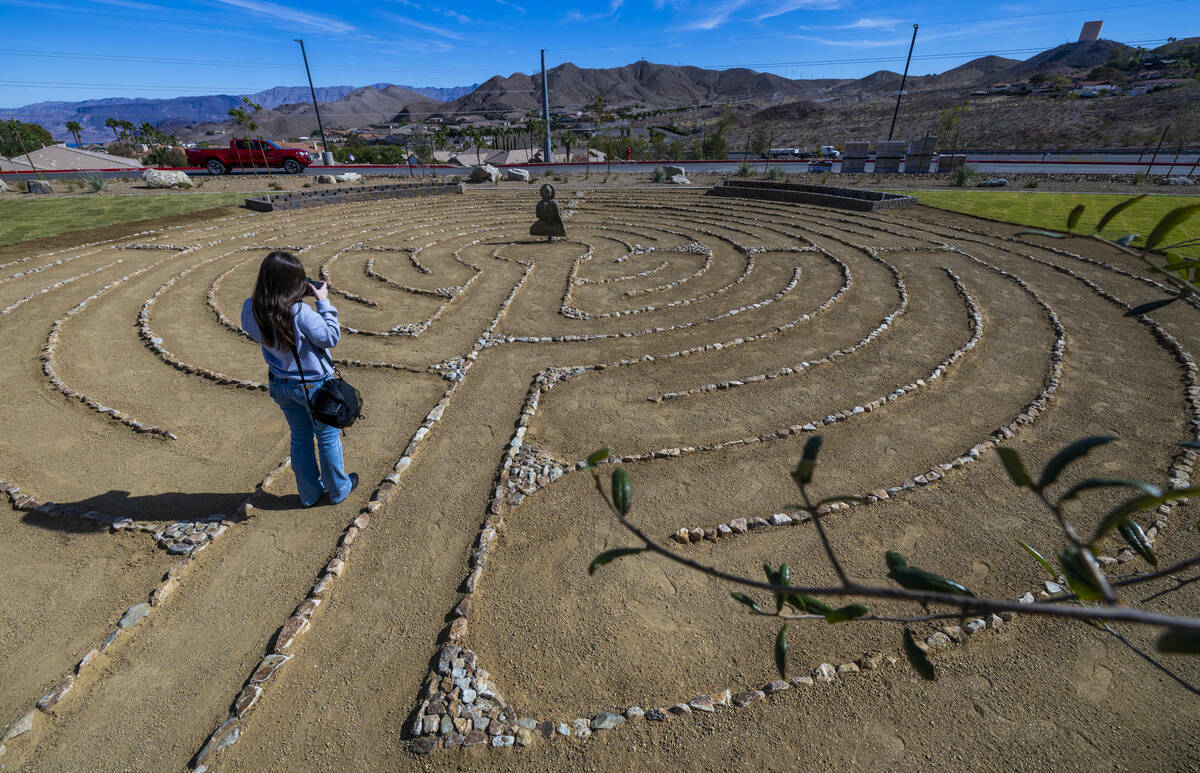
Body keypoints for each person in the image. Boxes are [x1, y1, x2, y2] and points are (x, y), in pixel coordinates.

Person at [241, 251, 358, 507]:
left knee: (300, 437)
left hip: (280, 384)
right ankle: (338, 490)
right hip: (313, 386)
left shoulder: (251, 307)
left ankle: (309, 494)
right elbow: (330, 338)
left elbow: (256, 331)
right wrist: (323, 302)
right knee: (327, 437)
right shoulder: (299, 312)